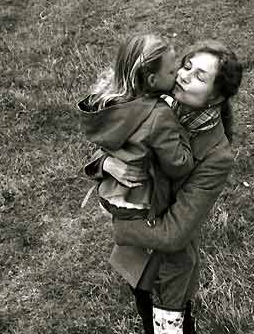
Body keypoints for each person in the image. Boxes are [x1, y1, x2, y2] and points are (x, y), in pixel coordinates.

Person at [84, 40, 244, 334]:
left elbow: (175, 233)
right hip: (136, 260)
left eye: (200, 76)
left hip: (168, 266)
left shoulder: (216, 156)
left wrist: (121, 229)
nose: (184, 76)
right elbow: (112, 137)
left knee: (175, 326)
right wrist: (105, 163)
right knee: (147, 317)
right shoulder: (157, 101)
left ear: (215, 98)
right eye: (186, 66)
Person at [78, 34, 199, 331]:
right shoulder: (159, 116)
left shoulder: (113, 106)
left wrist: (106, 162)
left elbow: (108, 146)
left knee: (144, 281)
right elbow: (178, 165)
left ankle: (153, 317)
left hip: (120, 204)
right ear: (152, 78)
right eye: (172, 72)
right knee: (173, 274)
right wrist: (186, 138)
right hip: (149, 210)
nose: (178, 75)